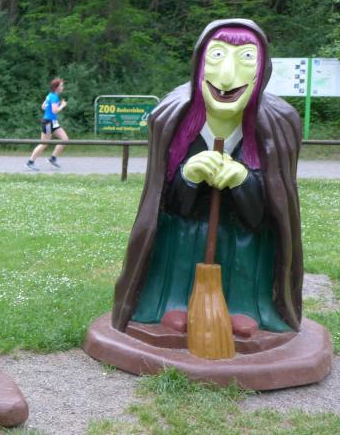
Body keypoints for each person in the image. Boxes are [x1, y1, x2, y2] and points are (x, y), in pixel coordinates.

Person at [112, 19, 302, 336]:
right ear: (199, 65)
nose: (227, 76)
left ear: (262, 72)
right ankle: (174, 300)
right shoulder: (173, 119)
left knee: (245, 238)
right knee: (183, 233)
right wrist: (188, 175)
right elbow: (164, 201)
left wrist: (244, 181)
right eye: (216, 56)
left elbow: (270, 210)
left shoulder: (276, 125)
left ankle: (242, 305)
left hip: (243, 235)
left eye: (246, 58)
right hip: (186, 229)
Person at [25, 77, 68, 170]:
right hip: (48, 122)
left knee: (64, 139)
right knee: (44, 143)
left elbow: (43, 106)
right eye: (61, 86)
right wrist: (62, 105)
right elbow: (55, 110)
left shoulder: (49, 95)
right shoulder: (54, 97)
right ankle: (30, 162)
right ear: (56, 87)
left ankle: (53, 158)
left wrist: (51, 107)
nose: (62, 87)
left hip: (53, 122)